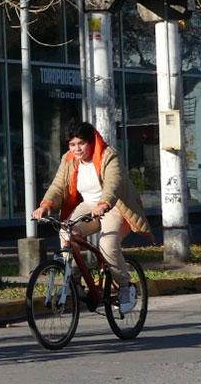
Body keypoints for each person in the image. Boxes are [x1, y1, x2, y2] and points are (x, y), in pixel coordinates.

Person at [31, 121, 153, 313]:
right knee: (66, 233)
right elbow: (58, 186)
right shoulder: (69, 159)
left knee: (107, 245)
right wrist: (46, 205)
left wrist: (104, 203)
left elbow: (114, 183)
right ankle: (76, 283)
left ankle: (125, 287)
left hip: (114, 206)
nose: (76, 149)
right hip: (89, 206)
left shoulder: (108, 155)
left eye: (81, 143)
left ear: (91, 141)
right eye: (72, 144)